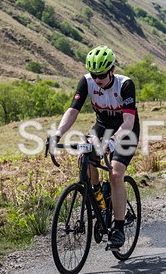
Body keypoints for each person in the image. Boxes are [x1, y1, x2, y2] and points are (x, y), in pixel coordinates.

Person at [48, 46, 139, 249]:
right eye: (94, 74)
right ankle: (100, 200)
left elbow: (128, 121)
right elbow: (73, 110)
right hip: (101, 127)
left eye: (102, 75)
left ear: (112, 70)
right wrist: (57, 133)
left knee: (115, 174)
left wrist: (114, 141)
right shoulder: (87, 81)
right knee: (85, 158)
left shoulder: (125, 85)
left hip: (125, 130)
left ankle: (119, 228)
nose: (97, 79)